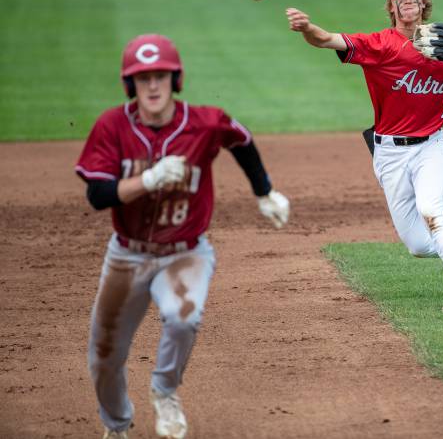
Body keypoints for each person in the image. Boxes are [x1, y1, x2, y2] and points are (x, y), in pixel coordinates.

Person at [75, 34, 290, 439]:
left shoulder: (204, 122)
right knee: (104, 356)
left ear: (175, 79)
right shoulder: (112, 125)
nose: (152, 86)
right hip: (127, 255)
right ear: (129, 84)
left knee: (182, 316)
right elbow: (97, 195)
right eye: (143, 78)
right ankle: (117, 425)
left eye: (160, 76)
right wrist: (148, 179)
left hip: (186, 253)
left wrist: (264, 191)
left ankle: (165, 391)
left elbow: (241, 140)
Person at [285, 0, 443, 312]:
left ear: (424, 3)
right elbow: (325, 39)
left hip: (431, 146)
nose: (408, 1)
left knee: (432, 212)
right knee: (419, 245)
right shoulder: (379, 45)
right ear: (391, 6)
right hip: (389, 151)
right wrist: (306, 28)